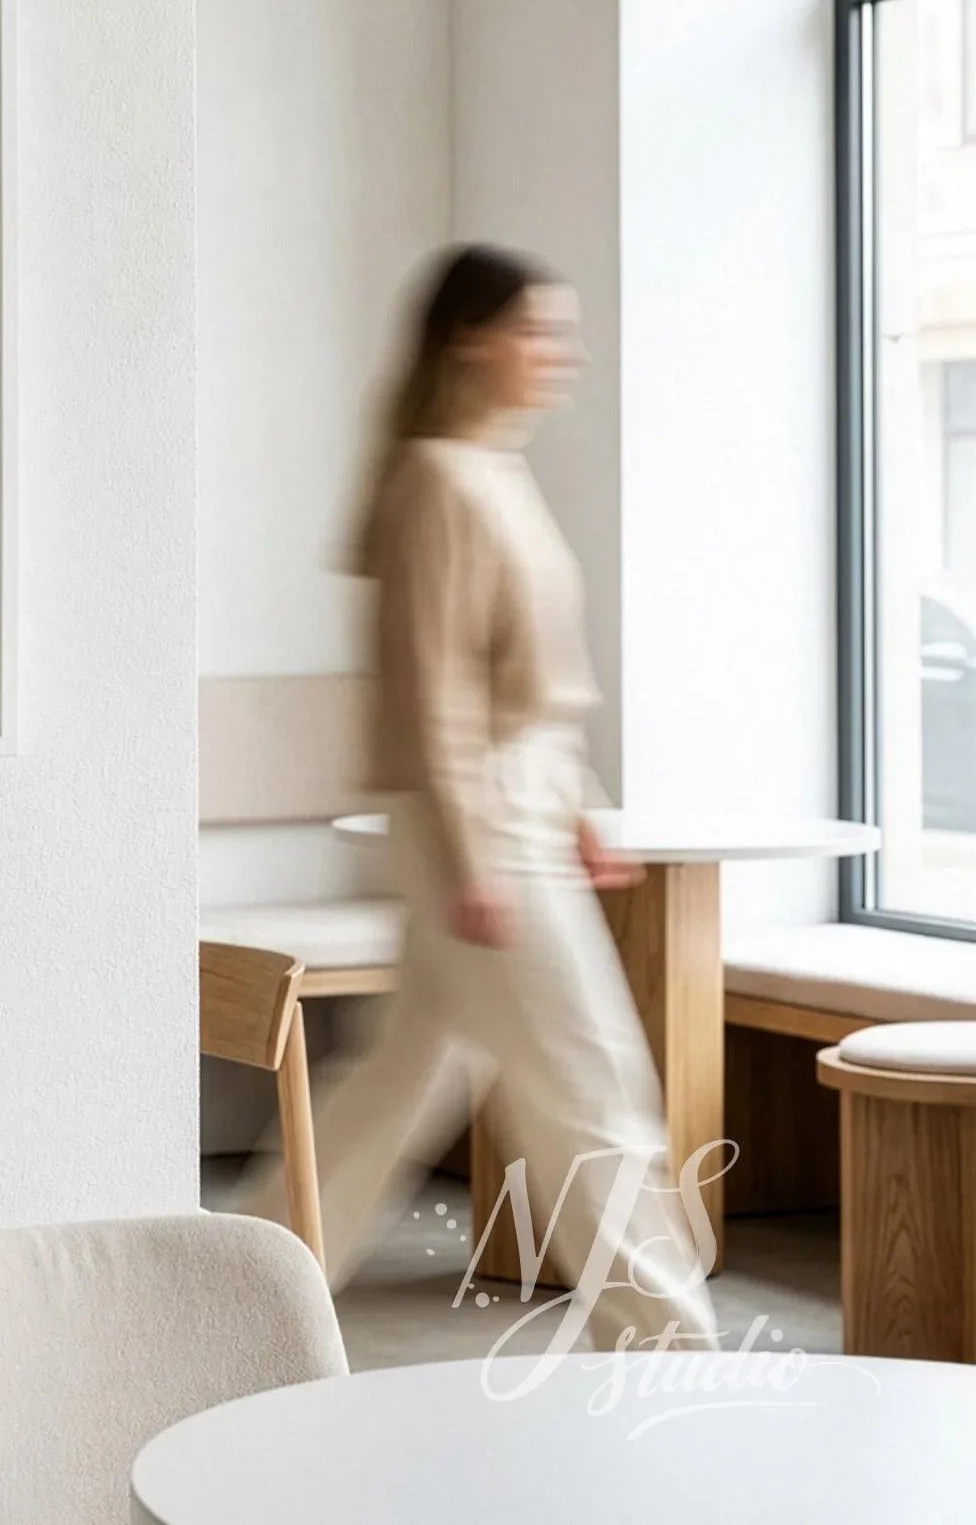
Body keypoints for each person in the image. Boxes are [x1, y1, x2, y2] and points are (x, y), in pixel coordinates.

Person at [257, 244, 719, 1352]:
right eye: (537, 330)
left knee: (397, 1083)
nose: (560, 354)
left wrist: (576, 807)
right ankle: (671, 1342)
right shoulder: (436, 481)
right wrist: (473, 859)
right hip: (478, 830)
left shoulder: (489, 472)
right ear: (472, 338)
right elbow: (432, 696)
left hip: (514, 814)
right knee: (590, 1080)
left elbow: (523, 694)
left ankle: (230, 1287)